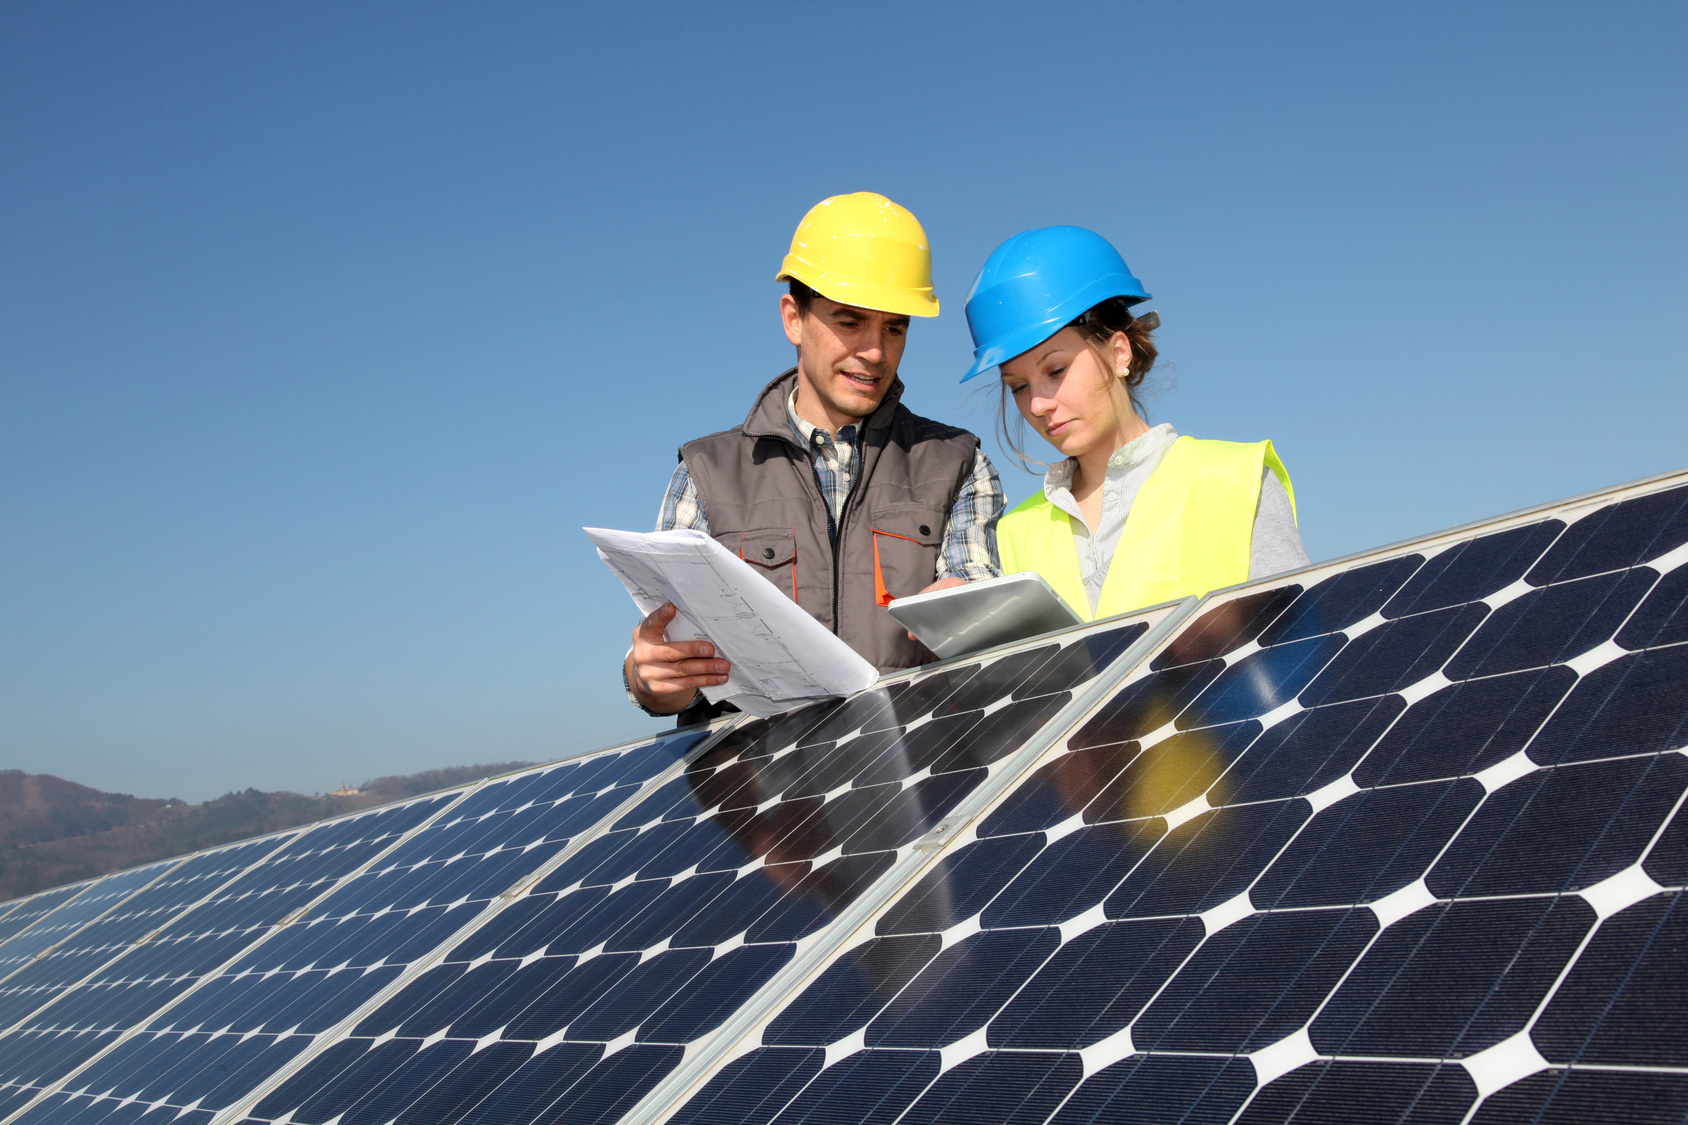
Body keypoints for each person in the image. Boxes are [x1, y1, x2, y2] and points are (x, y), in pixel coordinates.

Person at [625, 193, 1006, 722]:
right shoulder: (705, 475)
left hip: (913, 780)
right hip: (753, 792)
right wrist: (651, 678)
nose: (875, 351)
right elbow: (670, 660)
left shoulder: (957, 464)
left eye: (894, 327)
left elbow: (981, 621)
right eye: (849, 322)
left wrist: (971, 613)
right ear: (793, 319)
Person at [961, 225, 1307, 620]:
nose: (1038, 404)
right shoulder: (1014, 533)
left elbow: (1298, 650)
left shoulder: (1234, 480)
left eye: (1056, 370)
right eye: (1019, 386)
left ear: (1119, 352)